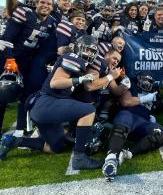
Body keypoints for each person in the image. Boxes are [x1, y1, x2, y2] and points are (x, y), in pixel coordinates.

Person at [0, 35, 104, 170]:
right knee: (88, 111)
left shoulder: (76, 61)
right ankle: (80, 158)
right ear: (79, 47)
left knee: (55, 147)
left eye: (92, 51)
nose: (89, 53)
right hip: (46, 103)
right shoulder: (74, 58)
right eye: (88, 49)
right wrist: (80, 79)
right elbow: (55, 83)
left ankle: (14, 141)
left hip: (40, 107)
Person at [1, 0, 57, 136]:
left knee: (25, 95)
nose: (45, 5)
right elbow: (7, 38)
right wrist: (9, 58)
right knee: (3, 94)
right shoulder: (25, 13)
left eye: (49, 4)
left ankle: (21, 128)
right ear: (36, 4)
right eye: (42, 2)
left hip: (27, 61)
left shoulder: (52, 22)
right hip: (9, 58)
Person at [102, 73, 163, 181]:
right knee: (123, 121)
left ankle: (127, 153)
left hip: (143, 123)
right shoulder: (131, 86)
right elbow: (126, 102)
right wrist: (145, 99)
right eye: (144, 80)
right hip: (128, 115)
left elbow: (158, 107)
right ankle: (112, 158)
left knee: (162, 133)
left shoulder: (155, 94)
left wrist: (152, 115)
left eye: (149, 81)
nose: (146, 83)